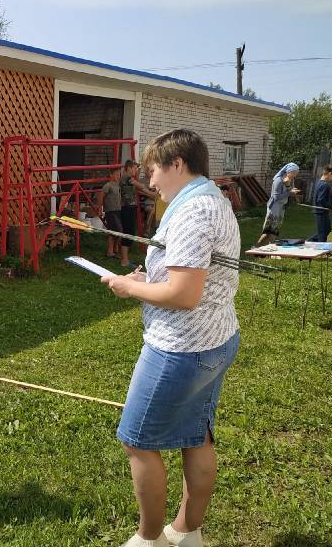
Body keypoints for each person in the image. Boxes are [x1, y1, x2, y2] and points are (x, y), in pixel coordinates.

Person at [101, 129, 240, 547]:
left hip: (181, 348)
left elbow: (184, 294)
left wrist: (129, 287)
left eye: (154, 170)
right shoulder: (213, 200)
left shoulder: (193, 211)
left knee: (137, 441)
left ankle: (149, 540)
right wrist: (150, 277)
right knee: (196, 435)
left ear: (177, 164)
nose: (151, 181)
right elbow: (191, 273)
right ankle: (186, 532)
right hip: (216, 340)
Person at [255, 163, 301, 247]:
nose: (295, 175)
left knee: (274, 230)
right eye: (294, 173)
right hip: (274, 207)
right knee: (268, 230)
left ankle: (268, 248)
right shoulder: (278, 180)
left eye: (296, 173)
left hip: (281, 207)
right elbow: (276, 197)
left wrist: (290, 189)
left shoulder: (287, 180)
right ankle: (257, 247)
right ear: (289, 171)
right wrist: (290, 192)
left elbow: (286, 191)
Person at [98, 167, 123, 258]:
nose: (118, 176)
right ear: (111, 175)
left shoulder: (118, 185)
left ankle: (115, 249)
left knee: (118, 230)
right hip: (110, 211)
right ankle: (110, 251)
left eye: (119, 174)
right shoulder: (108, 185)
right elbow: (101, 197)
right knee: (113, 231)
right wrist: (100, 209)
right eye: (116, 174)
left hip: (118, 210)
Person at [308, 166, 332, 242]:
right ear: (330, 173)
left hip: (321, 211)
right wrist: (331, 207)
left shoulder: (319, 182)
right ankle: (320, 249)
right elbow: (321, 200)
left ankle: (309, 242)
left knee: (327, 230)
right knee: (323, 232)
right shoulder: (325, 185)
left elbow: (321, 197)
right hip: (321, 211)